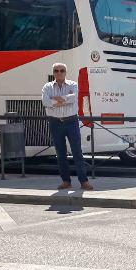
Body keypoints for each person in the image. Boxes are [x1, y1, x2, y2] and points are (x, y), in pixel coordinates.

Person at [41, 63, 92, 191]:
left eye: (62, 70)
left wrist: (55, 100)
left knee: (77, 152)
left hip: (71, 122)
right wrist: (63, 100)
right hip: (55, 122)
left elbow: (74, 98)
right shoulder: (47, 87)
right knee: (60, 154)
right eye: (56, 71)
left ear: (65, 72)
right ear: (53, 72)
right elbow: (45, 102)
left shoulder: (73, 85)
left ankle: (84, 181)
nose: (59, 73)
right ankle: (66, 181)